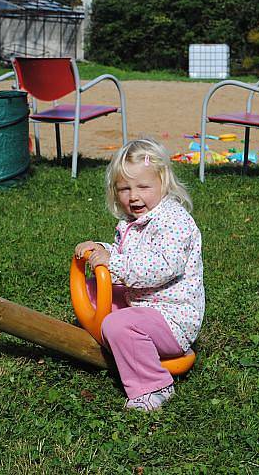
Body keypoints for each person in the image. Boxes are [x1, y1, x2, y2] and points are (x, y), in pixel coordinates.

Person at [74, 138, 204, 412]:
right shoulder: (135, 221)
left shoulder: (173, 221)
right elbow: (129, 253)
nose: (133, 196)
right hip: (144, 302)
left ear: (163, 184)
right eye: (124, 188)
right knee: (91, 289)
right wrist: (103, 249)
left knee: (118, 325)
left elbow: (162, 266)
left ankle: (154, 387)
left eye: (143, 187)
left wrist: (114, 264)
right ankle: (124, 346)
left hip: (173, 319)